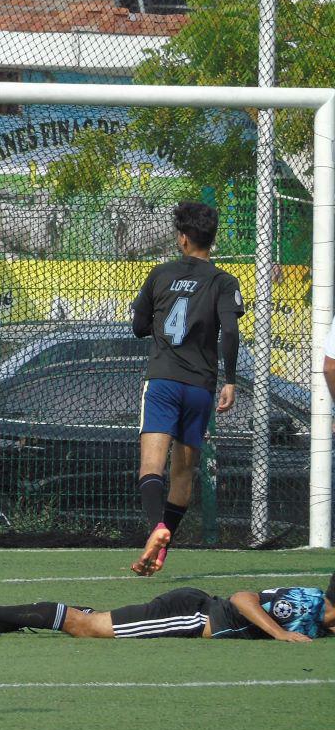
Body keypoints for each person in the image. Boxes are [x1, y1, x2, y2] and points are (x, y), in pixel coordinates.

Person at [130, 201, 244, 576]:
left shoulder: (160, 274)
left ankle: (156, 529)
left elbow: (139, 325)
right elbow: (229, 330)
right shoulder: (224, 281)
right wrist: (230, 379)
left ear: (182, 238)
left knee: (152, 466)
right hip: (200, 387)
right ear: (211, 239)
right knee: (184, 471)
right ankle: (163, 549)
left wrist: (160, 325)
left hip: (162, 380)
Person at [0, 571, 335, 641]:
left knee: (96, 620)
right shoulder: (310, 603)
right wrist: (280, 633)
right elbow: (242, 599)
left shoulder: (325, 618)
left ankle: (17, 618)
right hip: (195, 616)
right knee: (88, 627)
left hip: (192, 612)